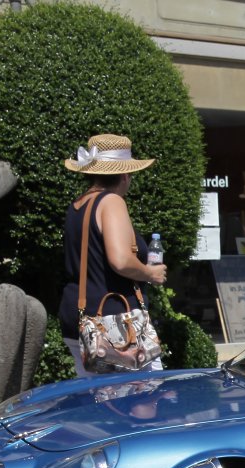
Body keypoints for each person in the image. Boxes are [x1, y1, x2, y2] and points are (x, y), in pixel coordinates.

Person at [58, 133, 166, 379]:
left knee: (99, 396)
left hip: (80, 318)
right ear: (125, 175)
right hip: (114, 323)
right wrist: (150, 273)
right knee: (146, 396)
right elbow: (120, 260)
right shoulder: (112, 202)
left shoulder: (77, 205)